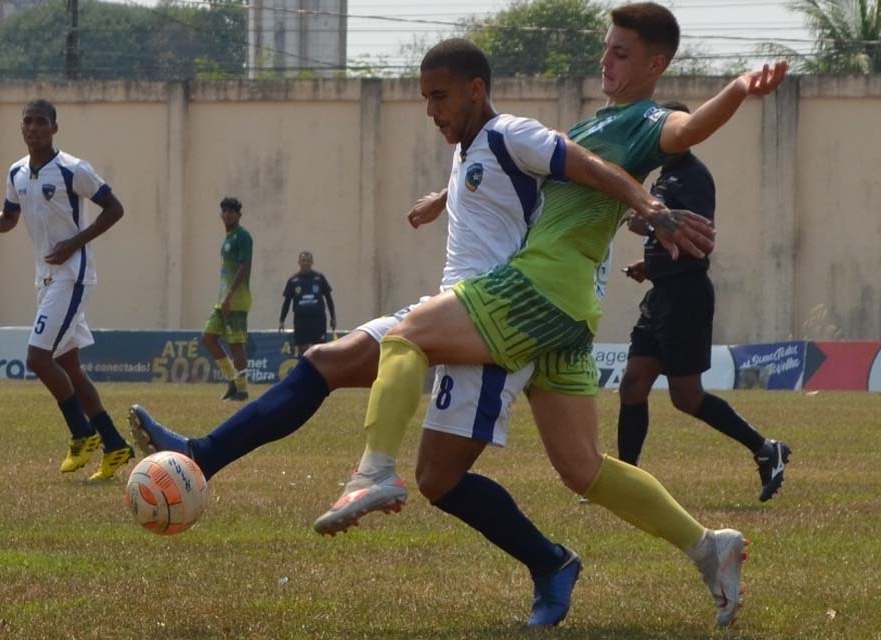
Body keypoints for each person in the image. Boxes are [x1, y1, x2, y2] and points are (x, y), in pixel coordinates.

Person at [128, 38, 710, 627]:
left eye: (440, 96)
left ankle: (547, 560)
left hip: (497, 328)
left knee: (440, 478)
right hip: (450, 309)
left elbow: (584, 165)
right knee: (326, 362)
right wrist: (443, 198)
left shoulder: (512, 130)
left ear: (475, 90)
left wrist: (649, 206)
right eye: (425, 98)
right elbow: (497, 191)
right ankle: (202, 454)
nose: (431, 110)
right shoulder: (471, 147)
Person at [316, 3, 787, 628]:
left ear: (655, 64)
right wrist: (444, 197)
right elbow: (536, 177)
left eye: (621, 53)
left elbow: (687, 129)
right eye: (606, 48)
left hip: (539, 290)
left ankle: (374, 472)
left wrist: (737, 89)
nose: (606, 60)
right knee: (583, 469)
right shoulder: (601, 121)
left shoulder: (649, 118)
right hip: (571, 310)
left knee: (408, 335)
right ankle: (710, 547)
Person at [618, 101, 791, 501]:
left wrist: (643, 217)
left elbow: (668, 225)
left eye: (664, 131)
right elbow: (662, 231)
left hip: (686, 297)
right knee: (633, 383)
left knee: (686, 396)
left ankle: (767, 449)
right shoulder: (668, 175)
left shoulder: (690, 177)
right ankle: (625, 482)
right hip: (662, 293)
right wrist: (650, 265)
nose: (658, 140)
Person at [0, 99, 134, 480]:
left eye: (41, 122)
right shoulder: (17, 172)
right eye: (27, 122)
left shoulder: (73, 170)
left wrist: (74, 243)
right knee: (70, 367)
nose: (33, 128)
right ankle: (115, 446)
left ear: (54, 128)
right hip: (46, 279)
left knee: (37, 358)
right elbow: (10, 217)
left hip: (73, 274)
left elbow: (114, 209)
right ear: (21, 128)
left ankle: (82, 434)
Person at [203, 196, 253, 402]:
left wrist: (230, 297)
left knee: (236, 345)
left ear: (239, 215)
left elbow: (244, 266)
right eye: (224, 211)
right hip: (223, 300)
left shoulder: (243, 236)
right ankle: (232, 380)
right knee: (208, 337)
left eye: (232, 211)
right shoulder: (228, 238)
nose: (227, 215)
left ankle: (242, 390)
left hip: (236, 300)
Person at [279, 251, 336, 357]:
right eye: (303, 260)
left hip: (318, 320)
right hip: (301, 321)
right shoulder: (293, 280)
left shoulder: (319, 278)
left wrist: (333, 317)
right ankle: (305, 372)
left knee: (319, 350)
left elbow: (329, 299)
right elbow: (287, 302)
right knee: (302, 350)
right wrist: (282, 320)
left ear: (312, 262)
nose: (306, 263)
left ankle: (318, 373)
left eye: (308, 261)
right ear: (299, 262)